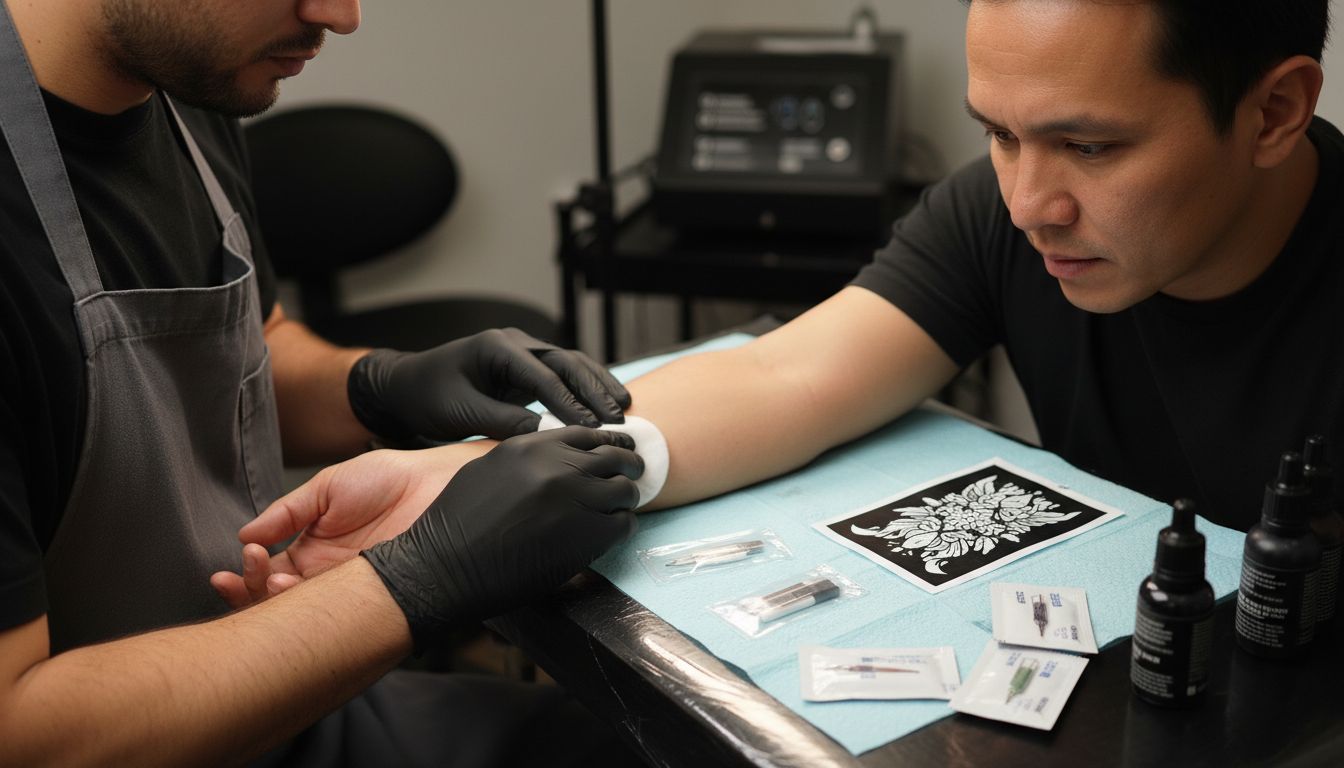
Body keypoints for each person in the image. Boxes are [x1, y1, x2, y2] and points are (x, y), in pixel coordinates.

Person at [229, 0, 1342, 610]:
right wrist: (456, 481)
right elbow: (786, 376)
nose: (1032, 200)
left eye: (1092, 147)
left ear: (1275, 112)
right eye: (999, 134)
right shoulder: (997, 214)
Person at [0, 0, 649, 765]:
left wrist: (377, 384)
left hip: (277, 709)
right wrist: (420, 577)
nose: (339, 16)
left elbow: (254, 347)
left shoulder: (184, 89)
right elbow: (23, 734)